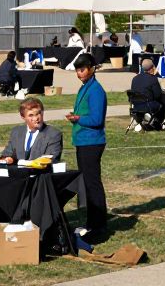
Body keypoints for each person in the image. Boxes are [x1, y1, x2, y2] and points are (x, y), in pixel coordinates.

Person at [66, 53, 107, 238]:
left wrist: (78, 118)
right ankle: (91, 222)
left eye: (82, 69)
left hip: (92, 142)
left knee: (93, 184)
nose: (79, 73)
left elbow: (97, 119)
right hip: (83, 141)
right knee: (88, 185)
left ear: (91, 68)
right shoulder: (85, 88)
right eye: (77, 70)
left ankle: (98, 225)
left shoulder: (96, 90)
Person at [0, 98, 63, 163]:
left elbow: (51, 158)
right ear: (23, 117)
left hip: (40, 172)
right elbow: (6, 154)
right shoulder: (17, 132)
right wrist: (8, 159)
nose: (36, 118)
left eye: (38, 113)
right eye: (31, 115)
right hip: (18, 172)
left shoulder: (53, 134)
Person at [129, 58, 164, 130]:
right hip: (148, 106)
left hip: (135, 106)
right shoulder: (153, 79)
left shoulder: (135, 78)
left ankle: (145, 119)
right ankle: (158, 122)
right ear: (152, 68)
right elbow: (158, 95)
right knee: (162, 104)